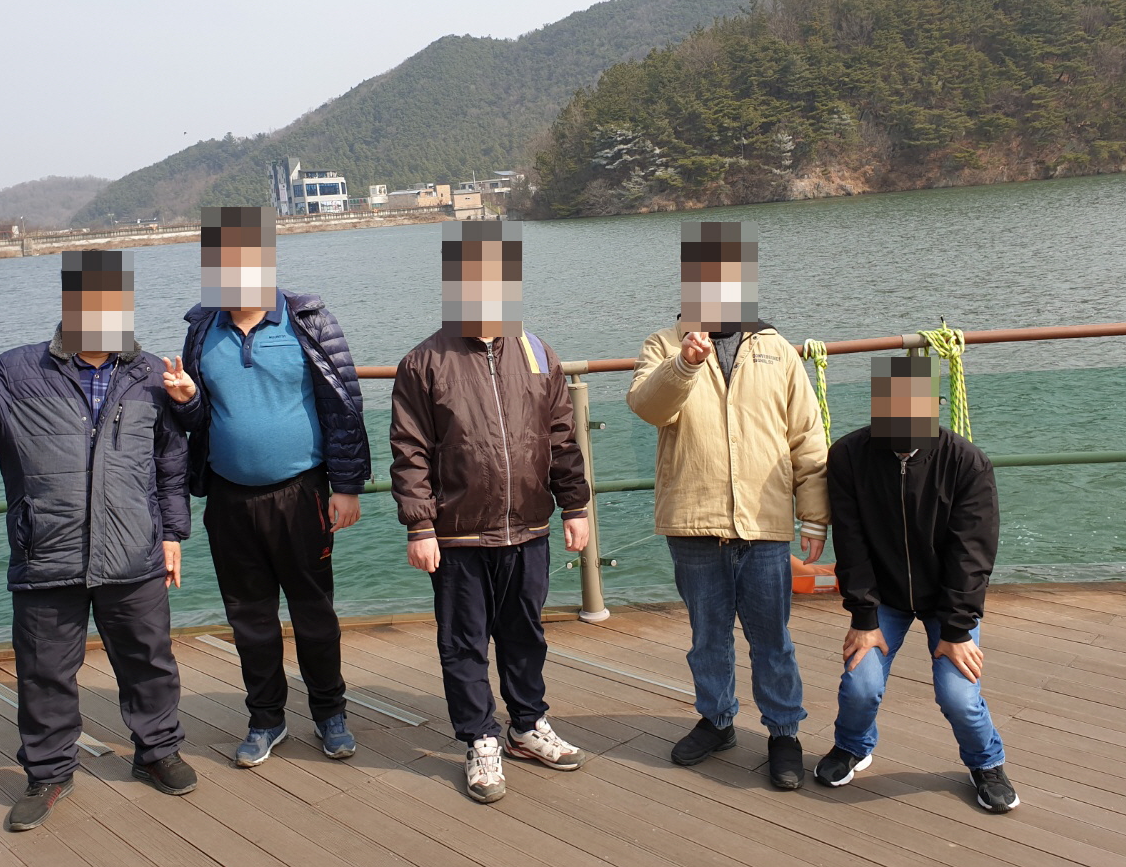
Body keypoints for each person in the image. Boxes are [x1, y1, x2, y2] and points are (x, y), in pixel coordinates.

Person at [0, 250, 196, 833]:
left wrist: (172, 532)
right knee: (44, 672)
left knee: (149, 661)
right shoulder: (16, 370)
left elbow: (170, 464)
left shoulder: (152, 374)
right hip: (46, 550)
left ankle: (157, 751)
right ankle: (48, 773)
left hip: (134, 552)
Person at [390, 220, 591, 803]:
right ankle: (480, 738)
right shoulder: (423, 362)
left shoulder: (537, 352)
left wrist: (575, 505)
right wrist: (420, 525)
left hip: (529, 526)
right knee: (463, 642)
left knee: (526, 634)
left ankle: (526, 725)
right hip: (457, 534)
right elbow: (409, 450)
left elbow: (561, 437)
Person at [163, 206, 370, 766]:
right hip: (229, 496)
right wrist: (186, 400)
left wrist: (347, 485)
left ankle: (330, 713)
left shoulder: (308, 319)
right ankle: (266, 719)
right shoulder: (202, 328)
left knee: (314, 613)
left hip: (302, 493)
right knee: (249, 618)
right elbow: (198, 417)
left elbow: (343, 403)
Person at [627, 222, 829, 790]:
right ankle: (716, 720)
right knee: (707, 637)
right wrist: (685, 365)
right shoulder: (663, 345)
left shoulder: (777, 350)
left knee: (773, 640)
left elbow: (807, 438)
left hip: (765, 523)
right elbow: (647, 407)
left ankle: (784, 732)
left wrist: (815, 516)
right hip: (693, 521)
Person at [816, 354, 1019, 813]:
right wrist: (863, 617)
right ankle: (853, 745)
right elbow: (850, 542)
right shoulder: (848, 455)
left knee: (958, 696)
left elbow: (973, 555)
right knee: (861, 683)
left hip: (947, 603)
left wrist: (957, 629)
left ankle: (986, 762)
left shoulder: (967, 463)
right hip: (882, 599)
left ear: (934, 406)